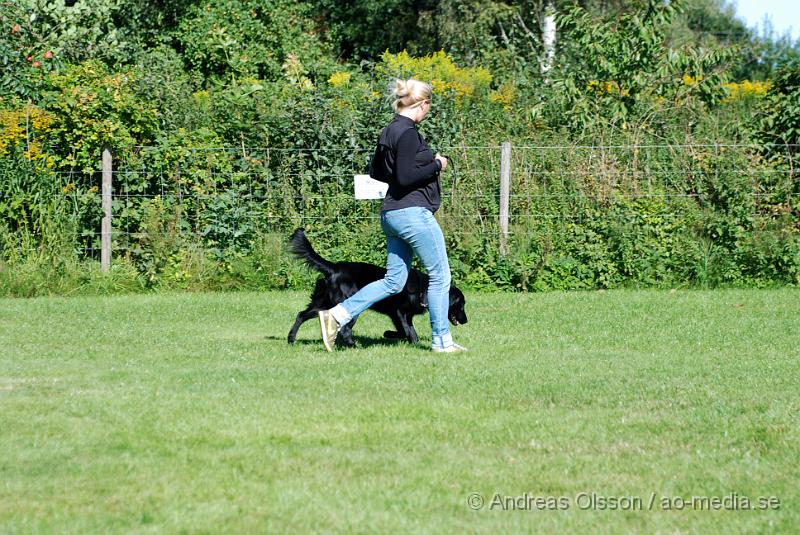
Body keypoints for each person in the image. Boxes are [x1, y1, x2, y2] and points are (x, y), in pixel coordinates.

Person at [318, 78, 467, 353]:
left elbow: (377, 172)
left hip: (392, 213)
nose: (427, 113)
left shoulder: (389, 130)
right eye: (428, 108)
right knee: (440, 276)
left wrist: (417, 166)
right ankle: (442, 341)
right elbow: (405, 175)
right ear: (422, 104)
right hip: (413, 213)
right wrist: (436, 164)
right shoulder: (408, 133)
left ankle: (337, 315)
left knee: (394, 281)